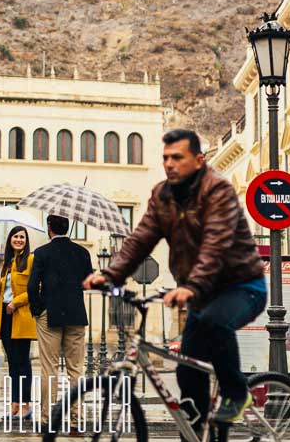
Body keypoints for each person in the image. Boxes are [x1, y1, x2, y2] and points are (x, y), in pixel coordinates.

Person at [85, 128, 266, 425]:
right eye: (165, 157)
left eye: (177, 157)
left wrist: (192, 286)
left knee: (215, 322)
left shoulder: (218, 190)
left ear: (198, 160)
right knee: (186, 371)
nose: (169, 164)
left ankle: (237, 393)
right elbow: (140, 239)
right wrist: (110, 274)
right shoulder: (162, 195)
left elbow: (215, 244)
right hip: (201, 293)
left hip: (242, 286)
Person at [27, 214, 93, 422]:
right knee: (75, 369)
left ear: (49, 228)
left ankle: (47, 417)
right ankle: (76, 416)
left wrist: (38, 310)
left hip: (50, 314)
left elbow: (32, 285)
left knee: (49, 367)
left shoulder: (42, 253)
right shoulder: (82, 252)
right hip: (76, 314)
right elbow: (88, 281)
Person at [0, 225, 36, 420]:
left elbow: (36, 289)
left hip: (21, 317)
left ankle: (26, 406)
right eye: (15, 236)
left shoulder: (31, 260)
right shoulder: (7, 263)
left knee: (23, 363)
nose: (18, 240)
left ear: (26, 240)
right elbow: (5, 291)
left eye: (22, 237)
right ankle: (15, 405)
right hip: (6, 317)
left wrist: (16, 303)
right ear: (10, 240)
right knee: (12, 364)